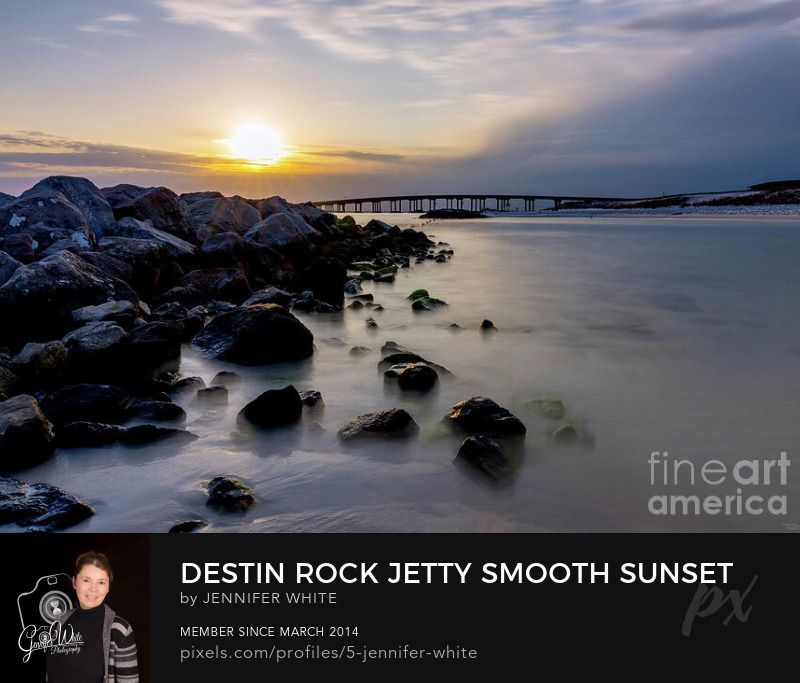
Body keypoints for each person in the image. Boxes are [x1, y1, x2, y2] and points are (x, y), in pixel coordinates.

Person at [46, 552, 139, 682]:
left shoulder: (120, 630)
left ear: (108, 587)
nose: (93, 589)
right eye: (86, 580)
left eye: (101, 582)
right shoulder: (60, 622)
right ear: (74, 582)